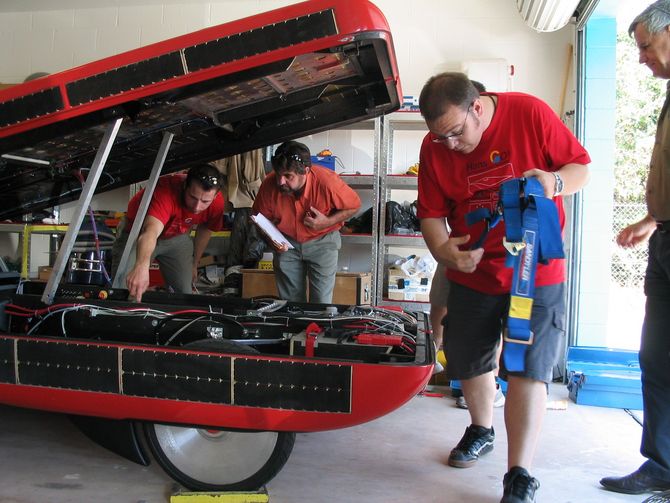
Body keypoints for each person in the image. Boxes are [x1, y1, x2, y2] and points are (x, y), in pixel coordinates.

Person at [417, 72, 590, 503]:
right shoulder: (435, 146)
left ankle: (519, 473)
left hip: (536, 269)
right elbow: (431, 213)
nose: (450, 145)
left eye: (456, 133)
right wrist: (443, 251)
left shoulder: (528, 112)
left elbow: (580, 167)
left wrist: (556, 182)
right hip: (472, 269)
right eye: (440, 138)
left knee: (528, 368)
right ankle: (480, 427)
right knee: (467, 357)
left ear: (477, 107)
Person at [599, 1, 670, 496]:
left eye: (646, 46)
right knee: (656, 357)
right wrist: (652, 220)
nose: (642, 59)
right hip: (665, 239)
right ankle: (661, 465)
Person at [252, 140, 361, 303]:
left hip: (323, 242)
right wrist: (272, 240)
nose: (281, 182)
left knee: (321, 303)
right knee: (290, 304)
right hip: (287, 243)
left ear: (306, 171)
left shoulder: (327, 182)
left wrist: (327, 222)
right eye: (278, 174)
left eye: (288, 176)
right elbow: (259, 219)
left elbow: (354, 206)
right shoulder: (269, 184)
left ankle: (317, 328)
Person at [112, 163, 225, 302]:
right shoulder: (165, 191)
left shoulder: (217, 202)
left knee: (184, 294)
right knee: (124, 289)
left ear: (215, 196)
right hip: (137, 233)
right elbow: (150, 232)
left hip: (176, 236)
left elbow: (206, 229)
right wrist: (141, 267)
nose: (197, 207)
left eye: (205, 201)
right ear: (185, 186)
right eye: (193, 197)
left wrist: (195, 263)